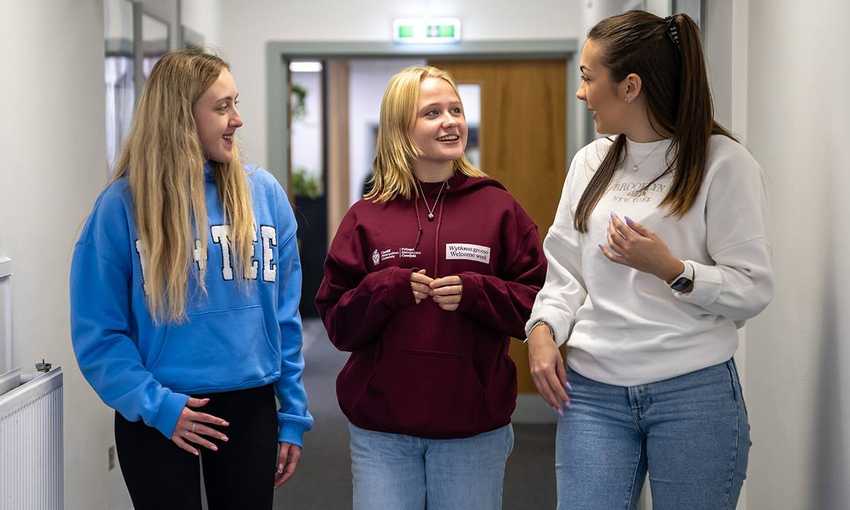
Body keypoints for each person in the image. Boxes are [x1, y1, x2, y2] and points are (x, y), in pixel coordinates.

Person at [526, 11, 774, 510]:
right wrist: (542, 330)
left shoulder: (722, 163)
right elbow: (565, 274)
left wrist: (671, 268)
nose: (581, 92)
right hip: (592, 394)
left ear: (630, 86)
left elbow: (751, 291)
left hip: (694, 393)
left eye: (588, 77)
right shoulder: (590, 163)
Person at [70, 48, 312, 510]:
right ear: (181, 117)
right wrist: (157, 405)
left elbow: (284, 320)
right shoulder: (121, 208)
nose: (237, 119)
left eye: (235, 103)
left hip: (250, 407)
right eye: (222, 107)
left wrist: (294, 413)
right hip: (158, 412)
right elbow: (99, 335)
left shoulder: (264, 195)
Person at [315, 65, 546, 510]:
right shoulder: (367, 216)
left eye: (455, 110)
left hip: (472, 431)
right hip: (382, 432)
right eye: (433, 113)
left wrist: (478, 293)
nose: (450, 121)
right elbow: (338, 324)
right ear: (402, 128)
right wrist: (387, 289)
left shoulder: (498, 208)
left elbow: (539, 303)